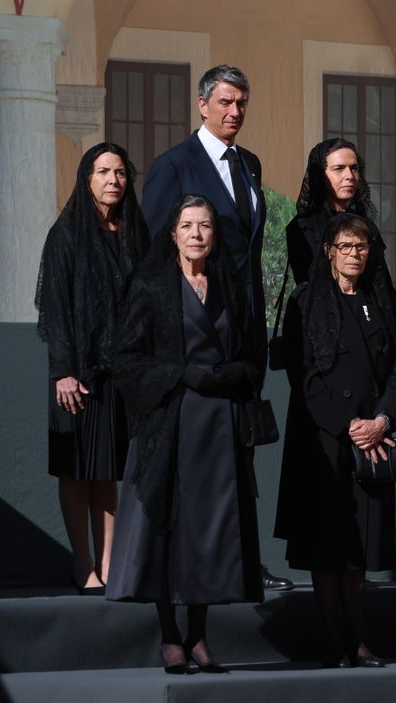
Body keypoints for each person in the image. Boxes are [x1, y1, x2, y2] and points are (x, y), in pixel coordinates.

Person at [140, 64, 292, 592]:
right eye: (225, 102)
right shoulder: (174, 165)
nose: (235, 112)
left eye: (242, 103)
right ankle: (192, 566)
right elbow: (154, 250)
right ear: (202, 105)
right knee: (196, 455)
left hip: (242, 328)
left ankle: (242, 560)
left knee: (239, 447)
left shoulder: (248, 163)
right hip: (191, 329)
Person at [108, 195, 264, 674]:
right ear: (172, 233)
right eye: (187, 226)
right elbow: (126, 357)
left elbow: (252, 348)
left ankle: (199, 636)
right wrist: (182, 374)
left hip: (220, 425)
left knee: (210, 531)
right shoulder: (152, 284)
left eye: (205, 226)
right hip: (168, 422)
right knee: (167, 529)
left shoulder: (230, 284)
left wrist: (233, 373)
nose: (197, 234)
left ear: (214, 235)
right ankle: (170, 636)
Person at [274, 213, 396, 667]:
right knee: (326, 546)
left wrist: (382, 420)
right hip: (323, 442)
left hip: (373, 440)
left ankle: (357, 638)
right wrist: (348, 425)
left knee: (358, 553)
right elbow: (304, 374)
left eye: (363, 247)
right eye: (347, 246)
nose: (355, 254)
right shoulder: (307, 301)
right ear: (329, 250)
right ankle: (334, 641)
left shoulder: (378, 300)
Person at [35, 143, 149, 591]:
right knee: (76, 469)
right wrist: (63, 370)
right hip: (76, 373)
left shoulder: (134, 233)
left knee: (107, 471)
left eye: (120, 173)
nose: (113, 181)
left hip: (121, 374)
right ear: (87, 179)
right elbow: (54, 307)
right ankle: (82, 565)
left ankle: (109, 565)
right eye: (103, 172)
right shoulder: (64, 234)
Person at [286, 138, 380, 285]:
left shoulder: (367, 226)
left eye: (354, 168)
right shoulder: (303, 228)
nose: (349, 176)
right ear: (320, 176)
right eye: (339, 168)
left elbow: (383, 287)